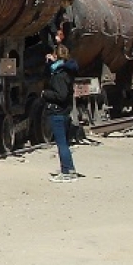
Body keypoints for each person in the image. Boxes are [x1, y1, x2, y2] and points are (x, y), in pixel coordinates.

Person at [44, 46, 81, 182]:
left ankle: (68, 171)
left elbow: (60, 95)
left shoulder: (59, 75)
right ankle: (67, 168)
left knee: (62, 144)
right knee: (64, 143)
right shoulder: (66, 71)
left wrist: (45, 94)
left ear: (56, 56)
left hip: (57, 111)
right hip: (64, 111)